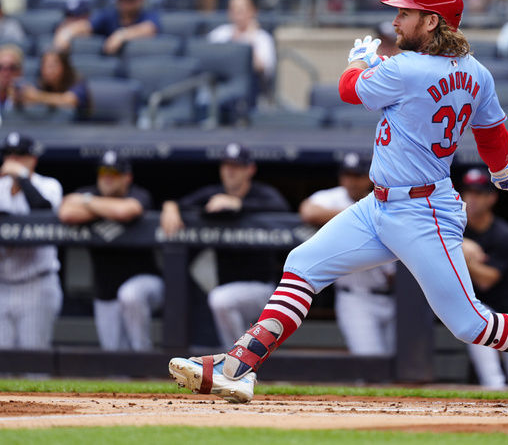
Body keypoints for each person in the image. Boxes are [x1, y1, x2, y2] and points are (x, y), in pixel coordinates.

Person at [168, 0, 508, 409]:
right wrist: (499, 168)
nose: (396, 21)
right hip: (379, 205)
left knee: (469, 323)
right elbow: (491, 129)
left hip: (424, 212)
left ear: (431, 22)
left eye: (405, 12)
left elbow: (348, 90)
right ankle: (241, 367)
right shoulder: (477, 72)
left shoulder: (404, 68)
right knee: (301, 264)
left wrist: (359, 61)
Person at [160, 143, 290, 348]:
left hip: (263, 290)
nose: (230, 171)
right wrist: (170, 206)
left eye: (237, 166)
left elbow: (283, 208)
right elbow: (181, 202)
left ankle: (240, 359)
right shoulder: (214, 193)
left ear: (250, 169)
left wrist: (239, 204)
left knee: (221, 299)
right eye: (226, 165)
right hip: (227, 286)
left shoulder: (261, 194)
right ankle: (240, 362)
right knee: (221, 298)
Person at [58, 150, 162, 351]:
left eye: (113, 174)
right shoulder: (88, 191)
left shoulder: (138, 193)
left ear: (127, 178)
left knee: (130, 294)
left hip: (147, 283)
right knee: (112, 354)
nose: (107, 178)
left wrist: (88, 203)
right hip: (105, 291)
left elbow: (126, 210)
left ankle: (142, 355)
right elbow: (66, 212)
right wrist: (104, 208)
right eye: (103, 173)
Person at [299, 152, 396, 356]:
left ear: (370, 177)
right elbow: (308, 211)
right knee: (371, 363)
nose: (352, 181)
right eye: (348, 175)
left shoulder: (385, 198)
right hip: (356, 298)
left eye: (358, 175)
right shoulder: (333, 198)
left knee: (402, 367)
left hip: (395, 296)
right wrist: (359, 219)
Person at [461, 169, 508, 388]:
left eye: (479, 193)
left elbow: (487, 279)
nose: (472, 198)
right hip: (480, 309)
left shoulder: (503, 233)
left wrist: (459, 256)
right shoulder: (454, 227)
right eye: (469, 192)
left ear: (491, 197)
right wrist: (461, 245)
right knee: (493, 381)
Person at [0, 132, 63, 349]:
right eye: (8, 154)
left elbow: (44, 213)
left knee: (34, 366)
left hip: (36, 283)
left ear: (33, 159)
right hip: (2, 283)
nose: (13, 159)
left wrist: (23, 178)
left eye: (20, 154)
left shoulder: (49, 185)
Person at [53, 0, 160, 55]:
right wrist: (66, 33)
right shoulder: (108, 15)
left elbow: (150, 28)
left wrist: (121, 35)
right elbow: (86, 26)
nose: (126, 2)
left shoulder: (148, 14)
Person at [207, 0, 276, 92]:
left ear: (253, 11)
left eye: (241, 10)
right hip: (220, 87)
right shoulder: (220, 33)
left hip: (250, 92)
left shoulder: (263, 38)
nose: (237, 14)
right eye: (233, 10)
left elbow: (262, 69)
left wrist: (249, 39)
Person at [16, 49, 90, 118]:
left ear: (64, 67)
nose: (48, 71)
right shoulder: (41, 84)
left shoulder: (78, 82)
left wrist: (37, 96)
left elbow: (70, 100)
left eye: (52, 66)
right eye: (45, 66)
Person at [0, 44, 23, 116]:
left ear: (20, 71)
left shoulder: (28, 98)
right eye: (0, 67)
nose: (6, 73)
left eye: (12, 68)